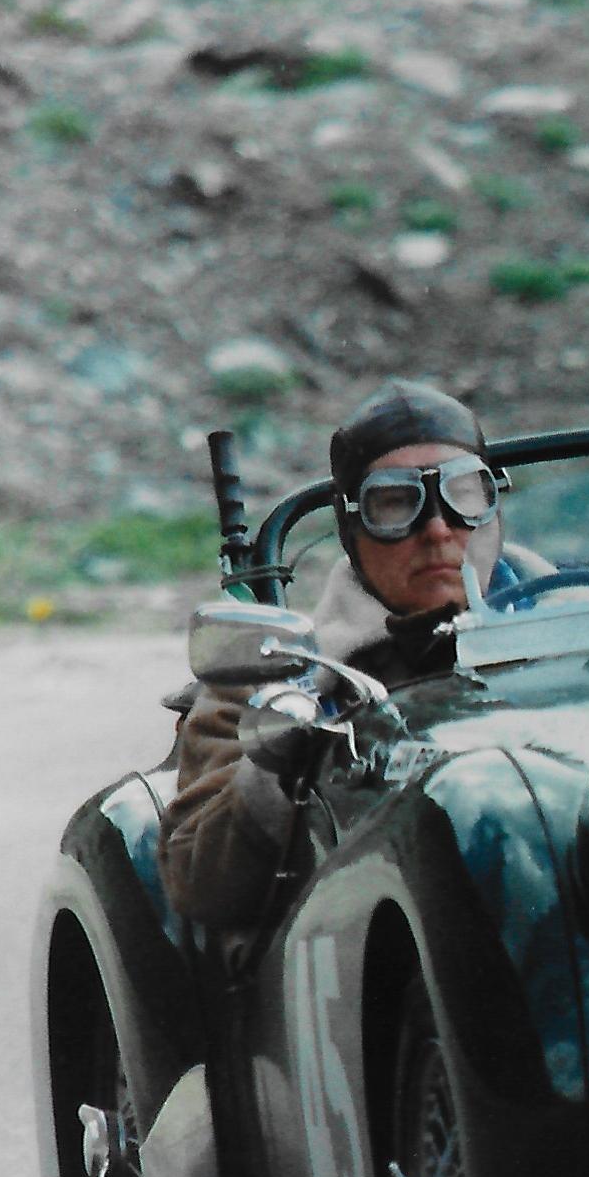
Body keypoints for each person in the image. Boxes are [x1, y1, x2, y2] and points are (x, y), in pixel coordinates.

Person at [159, 378, 516, 928]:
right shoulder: (277, 682)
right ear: (352, 528)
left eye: (466, 494)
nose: (439, 529)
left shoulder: (588, 625)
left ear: (494, 505)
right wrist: (280, 750)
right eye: (396, 504)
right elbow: (203, 889)